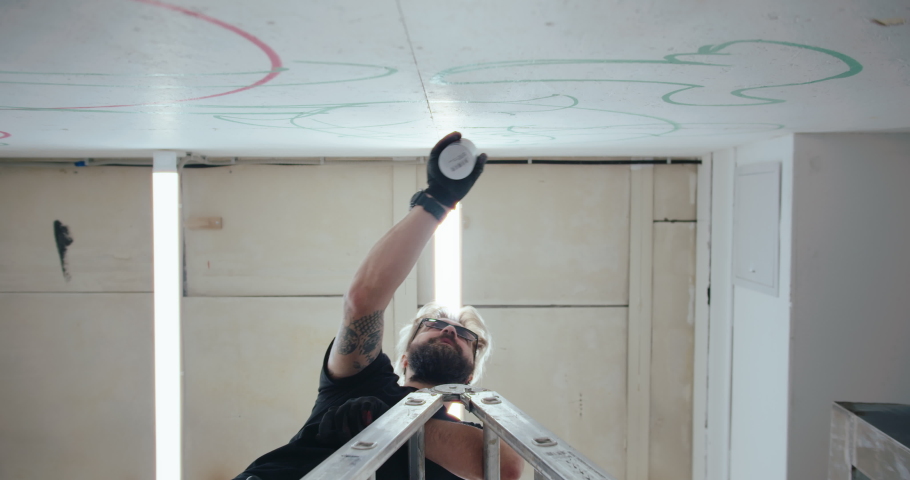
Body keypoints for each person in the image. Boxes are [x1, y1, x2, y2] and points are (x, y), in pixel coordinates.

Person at [233, 132, 524, 480]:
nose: (449, 329)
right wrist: (438, 200)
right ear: (403, 359)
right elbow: (363, 300)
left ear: (470, 376)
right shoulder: (360, 380)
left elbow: (506, 469)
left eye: (464, 335)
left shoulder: (469, 441)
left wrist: (387, 421)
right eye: (432, 324)